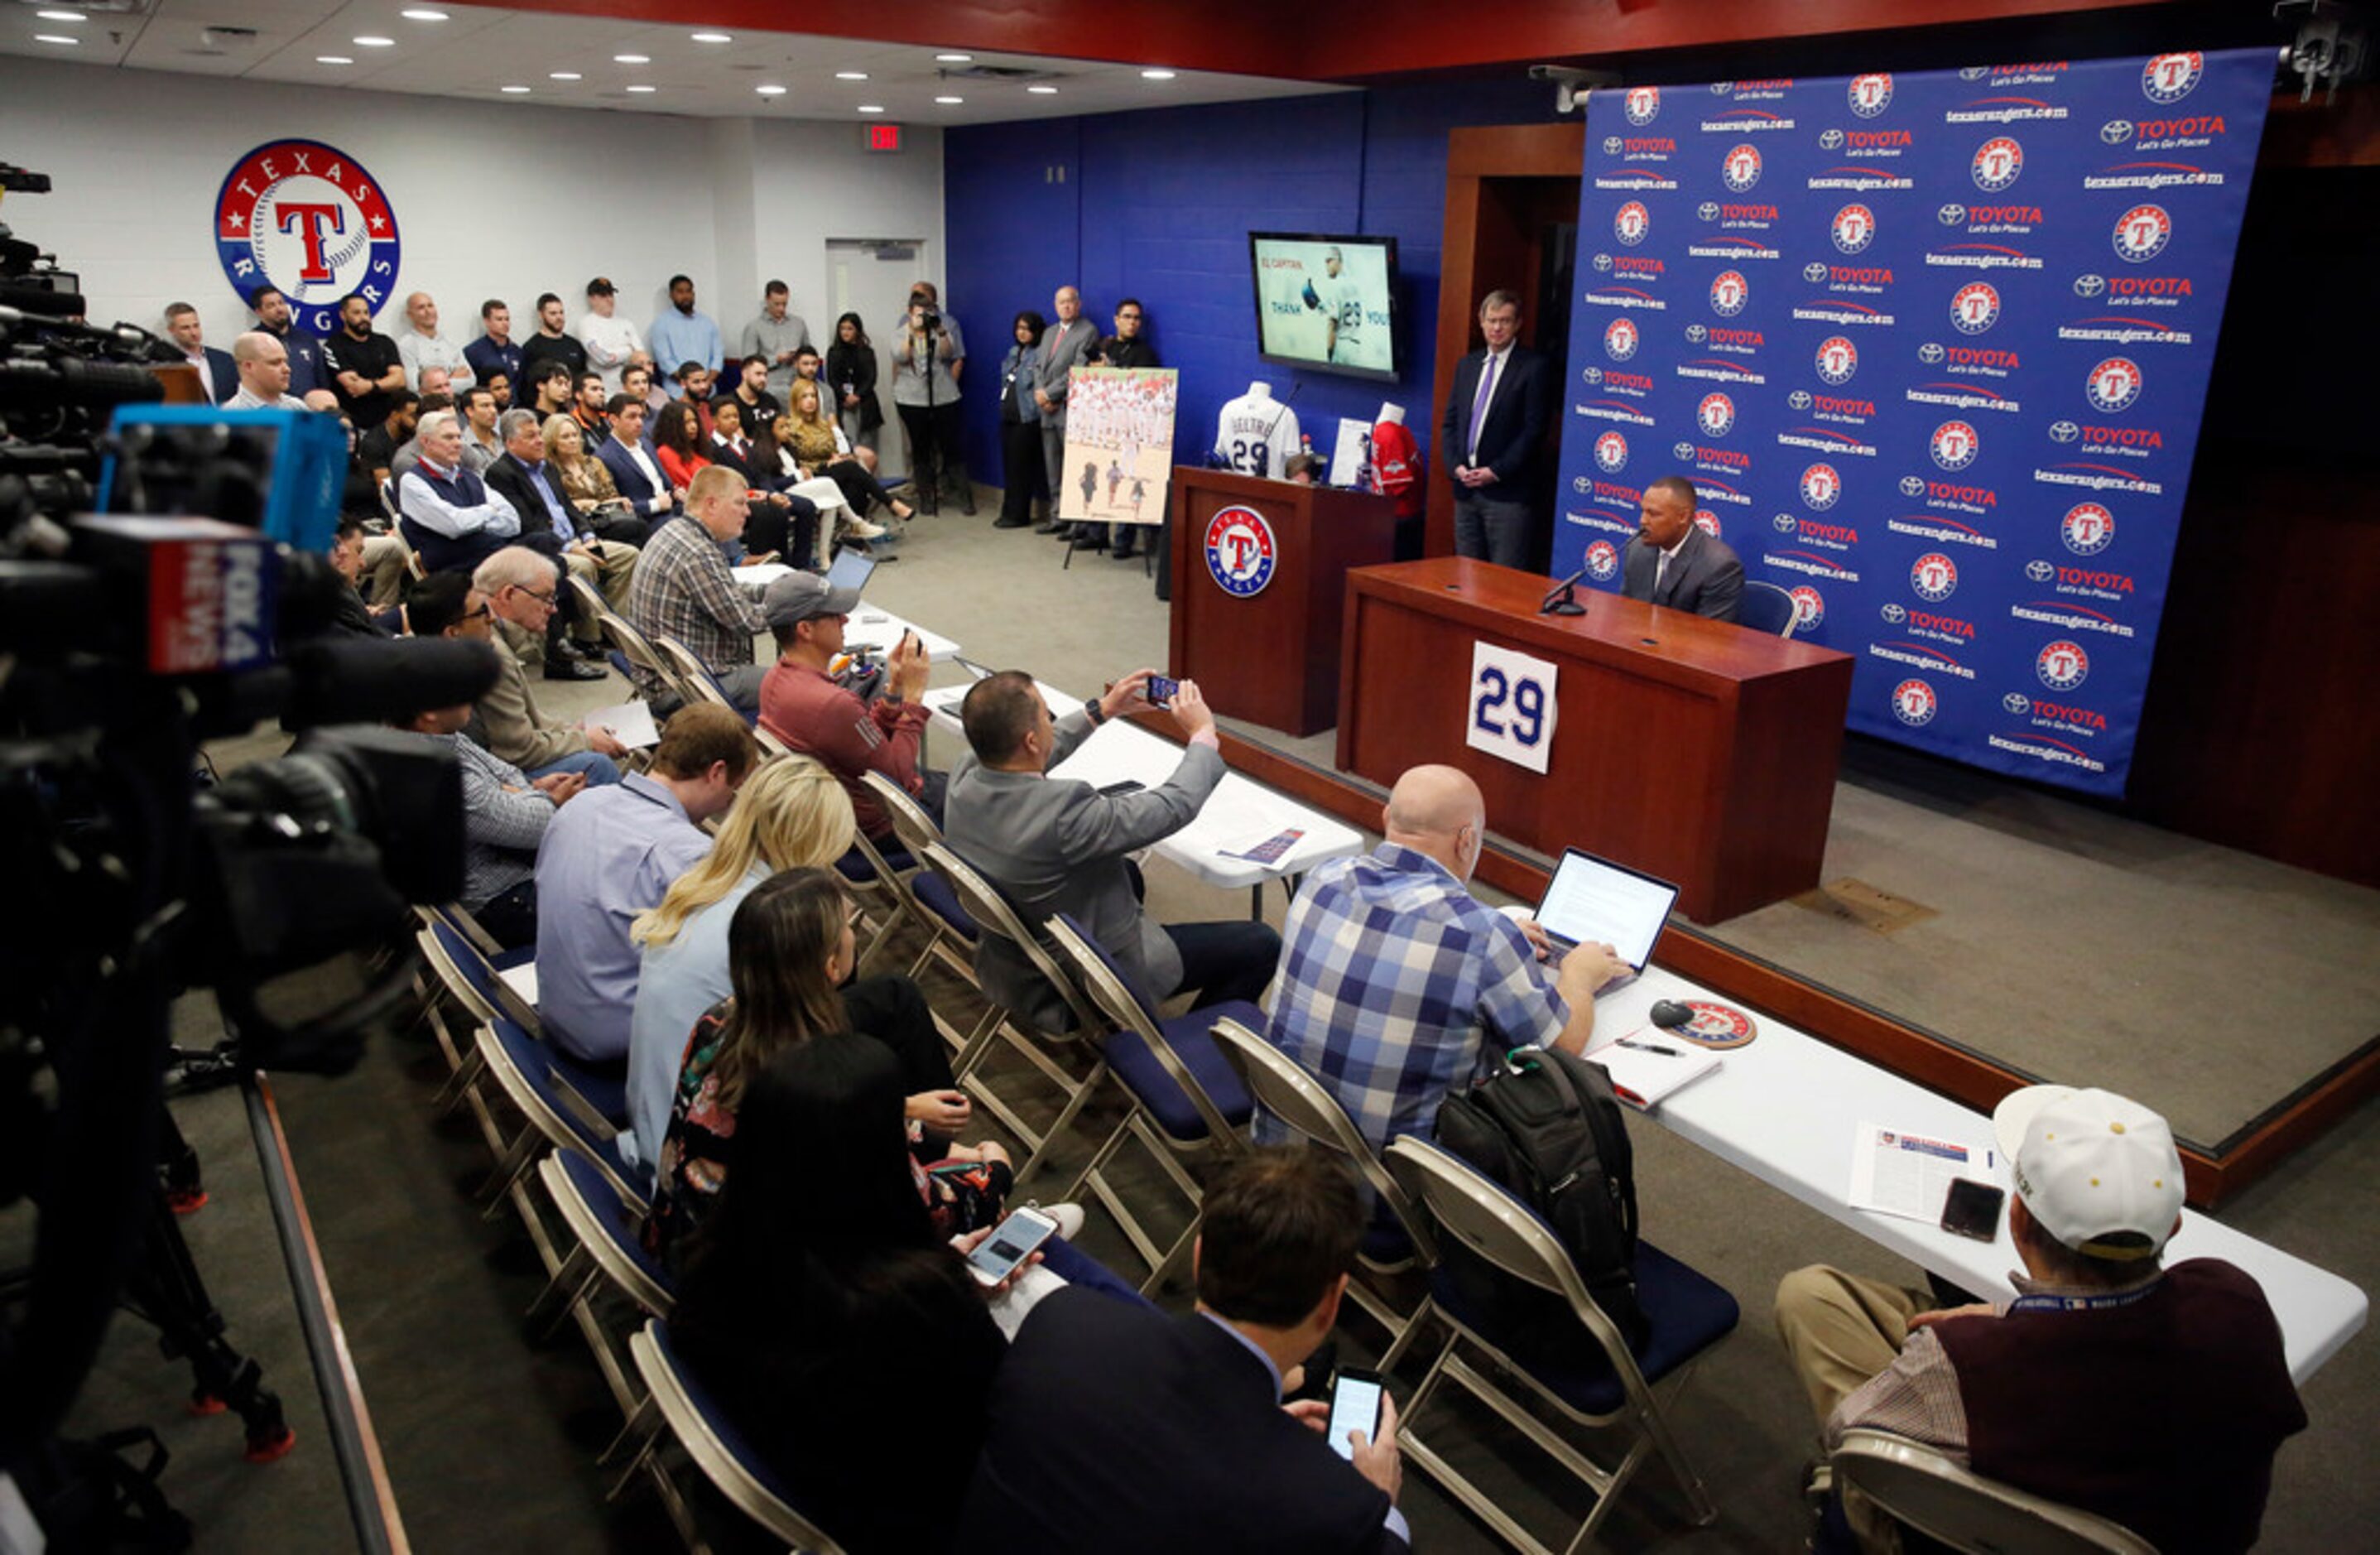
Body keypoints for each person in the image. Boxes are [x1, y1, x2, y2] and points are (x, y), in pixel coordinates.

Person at [1777, 1085, 2306, 1554]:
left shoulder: (1959, 1361)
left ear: (2018, 1219)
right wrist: (2005, 1317)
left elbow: (1856, 1436)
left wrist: (1978, 1331)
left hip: (1967, 1530)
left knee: (1811, 1304)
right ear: (2173, 1228)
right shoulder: (2236, 1303)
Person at [959, 1147, 1407, 1553]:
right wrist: (1381, 1503)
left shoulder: (1062, 1322)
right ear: (1331, 1303)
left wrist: (1262, 1430)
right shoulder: (1335, 1508)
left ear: (1197, 1257)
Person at [667, 1036, 1015, 1554]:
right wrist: (954, 1286)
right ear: (878, 1160)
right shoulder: (916, 1310)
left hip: (779, 1497)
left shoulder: (711, 1258)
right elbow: (1000, 1413)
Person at [641, 868, 1012, 1267]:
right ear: (831, 967)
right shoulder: (838, 1079)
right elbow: (926, 1213)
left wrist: (927, 1138)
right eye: (847, 928)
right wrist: (993, 1173)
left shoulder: (716, 1025)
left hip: (684, 1245)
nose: (854, 932)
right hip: (768, 1301)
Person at [1263, 763, 1624, 1153]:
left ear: (1387, 818)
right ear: (1466, 840)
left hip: (1284, 1151)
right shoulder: (1482, 936)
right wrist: (1579, 975)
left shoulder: (1323, 878)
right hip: (1395, 1184)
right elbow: (1561, 1047)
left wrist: (1499, 941)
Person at [945, 669, 1278, 1033]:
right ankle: (1185, 1049)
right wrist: (1202, 737)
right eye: (1046, 716)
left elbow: (1030, 755)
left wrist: (1100, 711)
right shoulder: (1064, 813)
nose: (1051, 724)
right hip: (1085, 978)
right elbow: (1173, 806)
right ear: (1030, 739)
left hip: (1015, 964)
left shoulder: (966, 773)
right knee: (1261, 944)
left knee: (1129, 873)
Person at [533, 703, 757, 1064]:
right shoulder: (689, 855)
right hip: (622, 1041)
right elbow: (715, 971)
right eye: (735, 788)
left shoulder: (580, 804)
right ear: (717, 773)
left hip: (556, 1009)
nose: (730, 803)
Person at [393, 660, 576, 951]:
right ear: (428, 712)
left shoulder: (440, 738)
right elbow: (535, 826)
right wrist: (546, 798)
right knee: (617, 891)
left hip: (504, 861)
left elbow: (509, 773)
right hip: (500, 899)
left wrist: (520, 793)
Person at [758, 569, 940, 845]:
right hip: (876, 827)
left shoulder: (774, 679)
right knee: (973, 794)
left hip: (825, 814)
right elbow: (898, 783)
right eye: (833, 615)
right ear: (805, 630)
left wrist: (894, 690)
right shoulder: (831, 703)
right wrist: (913, 700)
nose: (844, 620)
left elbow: (861, 742)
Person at [469, 546, 630, 786]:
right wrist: (584, 740)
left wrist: (570, 731)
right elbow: (517, 752)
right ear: (508, 594)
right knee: (596, 767)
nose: (553, 608)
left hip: (485, 764)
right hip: (493, 777)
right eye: (545, 597)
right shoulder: (494, 653)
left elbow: (528, 721)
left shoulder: (494, 638)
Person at [484, 408, 637, 648]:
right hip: (544, 547)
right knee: (583, 565)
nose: (539, 440)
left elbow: (569, 508)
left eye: (539, 434)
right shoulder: (500, 474)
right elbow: (526, 523)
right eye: (531, 436)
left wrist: (588, 537)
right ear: (511, 442)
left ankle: (614, 632)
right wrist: (571, 547)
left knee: (628, 556)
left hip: (576, 540)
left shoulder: (546, 466)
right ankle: (588, 637)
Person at [626, 465, 772, 711]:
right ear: (712, 504)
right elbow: (748, 622)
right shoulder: (698, 552)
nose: (748, 512)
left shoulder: (676, 532)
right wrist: (797, 603)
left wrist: (768, 590)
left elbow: (722, 590)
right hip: (691, 684)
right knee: (797, 683)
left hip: (665, 674)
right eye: (740, 503)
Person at [1440, 288, 1553, 570]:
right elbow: (1450, 423)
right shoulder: (1467, 365)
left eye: (1504, 321)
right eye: (1492, 320)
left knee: (1503, 580)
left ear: (1517, 324)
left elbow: (1534, 431)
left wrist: (1496, 471)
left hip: (1508, 494)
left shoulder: (1533, 368)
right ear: (1481, 320)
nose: (1497, 327)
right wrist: (1456, 467)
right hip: (1465, 490)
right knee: (1466, 573)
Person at [780, 381, 908, 527]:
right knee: (849, 468)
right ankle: (890, 503)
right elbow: (795, 460)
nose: (810, 400)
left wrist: (836, 457)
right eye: (804, 397)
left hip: (832, 471)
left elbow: (832, 448)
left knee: (855, 486)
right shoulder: (790, 428)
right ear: (796, 400)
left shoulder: (822, 424)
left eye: (813, 396)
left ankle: (853, 534)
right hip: (809, 476)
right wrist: (825, 463)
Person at [889, 287, 971, 515]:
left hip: (943, 396)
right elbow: (901, 356)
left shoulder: (940, 330)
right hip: (911, 398)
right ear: (909, 313)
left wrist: (941, 332)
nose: (923, 318)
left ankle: (964, 496)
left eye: (928, 313)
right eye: (918, 314)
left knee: (950, 446)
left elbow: (948, 354)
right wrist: (912, 332)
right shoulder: (900, 332)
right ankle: (926, 496)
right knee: (921, 448)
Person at [1621, 474, 1743, 623]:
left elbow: (1710, 637)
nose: (1643, 520)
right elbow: (1625, 613)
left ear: (1683, 517)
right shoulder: (1637, 549)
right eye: (1643, 511)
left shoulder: (1719, 566)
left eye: (1653, 514)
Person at [1031, 285, 1099, 536]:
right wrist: (1040, 393)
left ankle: (1076, 522)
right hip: (1046, 411)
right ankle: (1057, 516)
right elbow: (1038, 366)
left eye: (1071, 302)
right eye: (1061, 302)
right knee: (1053, 467)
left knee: (1074, 467)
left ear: (1078, 305)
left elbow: (1079, 370)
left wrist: (1051, 395)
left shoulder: (1088, 331)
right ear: (1055, 305)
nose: (1066, 306)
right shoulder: (1049, 332)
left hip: (1068, 408)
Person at [545, 414, 649, 546]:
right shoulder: (549, 471)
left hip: (606, 516)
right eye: (565, 437)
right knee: (637, 528)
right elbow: (559, 506)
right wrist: (584, 503)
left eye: (575, 435)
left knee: (637, 522)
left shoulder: (593, 463)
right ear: (552, 441)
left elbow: (611, 495)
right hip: (581, 524)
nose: (573, 440)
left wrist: (617, 500)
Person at [995, 309, 1048, 530]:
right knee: (1009, 466)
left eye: (1027, 329)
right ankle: (1007, 510)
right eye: (1019, 328)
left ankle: (1019, 514)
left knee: (1021, 468)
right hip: (1008, 415)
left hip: (1027, 419)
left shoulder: (1038, 354)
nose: (1022, 333)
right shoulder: (1014, 352)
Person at [321, 293, 407, 429]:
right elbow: (353, 387)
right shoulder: (334, 345)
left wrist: (371, 386)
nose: (363, 318)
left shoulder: (385, 342)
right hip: (355, 424)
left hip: (388, 424)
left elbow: (400, 380)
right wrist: (386, 382)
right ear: (343, 316)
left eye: (366, 312)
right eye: (356, 313)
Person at [248, 284, 335, 407]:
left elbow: (322, 380)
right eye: (271, 306)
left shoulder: (306, 338)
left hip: (310, 412)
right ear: (259, 312)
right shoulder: (253, 341)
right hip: (276, 414)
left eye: (281, 303)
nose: (279, 309)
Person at [596, 395, 678, 523]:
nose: (640, 422)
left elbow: (663, 483)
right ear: (613, 420)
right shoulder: (604, 456)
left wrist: (676, 493)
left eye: (641, 416)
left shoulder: (646, 443)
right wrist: (654, 505)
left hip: (673, 508)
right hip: (645, 521)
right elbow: (614, 508)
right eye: (632, 417)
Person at [740, 280, 811, 401]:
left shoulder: (799, 324)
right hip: (769, 385)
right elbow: (748, 364)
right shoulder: (754, 327)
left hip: (797, 382)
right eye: (777, 304)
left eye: (784, 304)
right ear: (767, 300)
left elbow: (808, 353)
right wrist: (776, 359)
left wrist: (798, 359)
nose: (781, 309)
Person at [650, 274, 723, 393]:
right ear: (671, 295)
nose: (686, 296)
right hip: (677, 393)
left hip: (708, 391)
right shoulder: (661, 324)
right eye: (680, 292)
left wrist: (706, 382)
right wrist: (693, 384)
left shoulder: (707, 323)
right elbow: (665, 362)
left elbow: (718, 356)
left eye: (689, 291)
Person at [824, 311, 882, 459]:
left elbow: (871, 378)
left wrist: (857, 395)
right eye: (842, 328)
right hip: (843, 403)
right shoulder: (833, 352)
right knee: (849, 442)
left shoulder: (866, 352)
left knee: (867, 443)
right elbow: (832, 378)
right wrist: (845, 397)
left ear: (857, 330)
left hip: (864, 402)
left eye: (850, 329)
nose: (845, 332)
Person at [396, 291, 474, 392]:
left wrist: (430, 383)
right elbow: (413, 386)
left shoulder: (450, 342)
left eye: (430, 306)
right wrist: (451, 378)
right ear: (410, 315)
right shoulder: (406, 345)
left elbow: (471, 381)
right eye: (421, 308)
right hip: (427, 405)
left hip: (456, 404)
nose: (428, 311)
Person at [578, 277, 644, 393]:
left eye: (611, 295)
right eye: (603, 296)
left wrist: (618, 354)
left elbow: (640, 356)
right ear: (592, 299)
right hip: (605, 392)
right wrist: (629, 350)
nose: (609, 300)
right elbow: (604, 358)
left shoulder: (626, 323)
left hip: (630, 391)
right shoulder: (587, 324)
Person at [162, 303, 236, 403]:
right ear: (171, 330)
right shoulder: (167, 366)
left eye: (196, 326)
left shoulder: (225, 360)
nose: (194, 333)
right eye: (185, 328)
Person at [225, 330, 309, 411]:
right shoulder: (230, 417)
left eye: (286, 362)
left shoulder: (297, 408)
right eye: (275, 363)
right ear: (248, 367)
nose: (287, 369)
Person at [518, 292, 588, 383]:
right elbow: (526, 384)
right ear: (541, 315)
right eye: (553, 313)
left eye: (561, 313)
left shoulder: (575, 345)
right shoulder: (532, 347)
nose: (559, 317)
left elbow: (583, 379)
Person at [464, 298, 522, 388]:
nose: (505, 323)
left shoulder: (517, 351)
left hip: (515, 401)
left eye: (507, 319)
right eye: (499, 319)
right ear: (487, 321)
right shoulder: (473, 352)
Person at [727, 355, 783, 445]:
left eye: (765, 375)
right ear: (744, 374)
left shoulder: (770, 401)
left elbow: (781, 431)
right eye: (758, 374)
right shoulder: (729, 403)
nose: (763, 379)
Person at [455, 384, 505, 474]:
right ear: (470, 411)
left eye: (494, 405)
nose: (493, 411)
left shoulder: (505, 439)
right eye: (485, 406)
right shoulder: (461, 446)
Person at [521, 357, 575, 426]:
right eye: (559, 383)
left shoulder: (567, 418)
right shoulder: (529, 421)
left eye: (566, 384)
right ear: (541, 385)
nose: (565, 389)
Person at [570, 371, 614, 451]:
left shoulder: (611, 419)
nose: (601, 394)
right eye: (594, 389)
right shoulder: (573, 426)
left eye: (602, 390)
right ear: (579, 395)